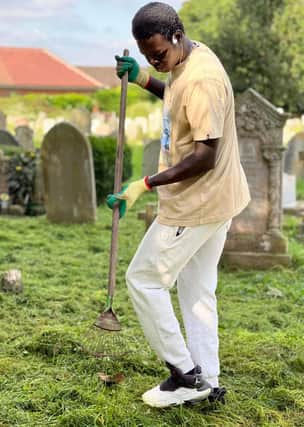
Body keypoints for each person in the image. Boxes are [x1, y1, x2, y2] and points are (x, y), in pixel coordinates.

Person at [107, 2, 250, 407]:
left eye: (159, 55)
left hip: (198, 203)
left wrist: (145, 183)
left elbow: (204, 155)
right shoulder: (190, 56)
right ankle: (209, 381)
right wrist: (144, 80)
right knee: (198, 291)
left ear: (176, 35)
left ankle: (185, 375)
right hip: (219, 198)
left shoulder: (203, 79)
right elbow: (178, 99)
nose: (156, 61)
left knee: (144, 280)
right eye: (147, 55)